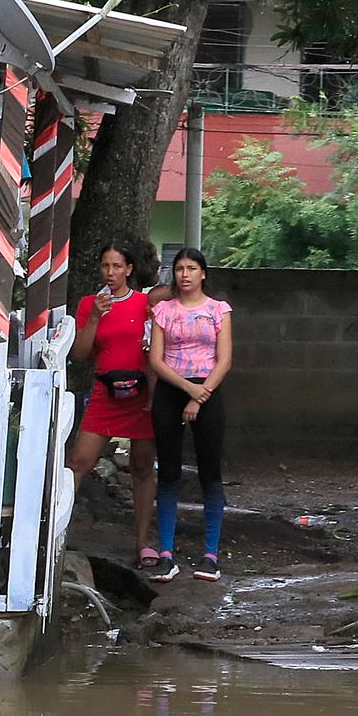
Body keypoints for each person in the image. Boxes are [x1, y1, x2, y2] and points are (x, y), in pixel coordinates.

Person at [67, 241, 159, 568]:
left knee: (142, 467)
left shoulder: (145, 303)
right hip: (106, 392)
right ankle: (55, 535)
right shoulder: (89, 304)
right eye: (105, 266)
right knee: (79, 461)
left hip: (141, 394)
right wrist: (93, 317)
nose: (110, 273)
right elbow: (78, 355)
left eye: (117, 266)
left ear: (129, 269)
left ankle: (143, 543)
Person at [148, 247, 233, 582]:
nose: (184, 274)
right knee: (168, 471)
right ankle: (166, 553)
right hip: (171, 388)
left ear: (203, 274)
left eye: (192, 268)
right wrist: (187, 389)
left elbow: (224, 359)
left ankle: (210, 554)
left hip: (208, 390)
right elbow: (156, 360)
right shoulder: (163, 311)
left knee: (209, 471)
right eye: (179, 268)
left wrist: (200, 394)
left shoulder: (218, 311)